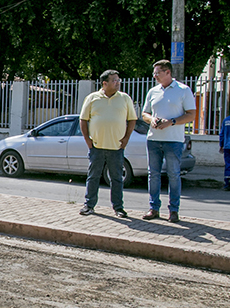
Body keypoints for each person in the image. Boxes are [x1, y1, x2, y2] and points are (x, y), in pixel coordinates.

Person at [140, 59, 196, 223]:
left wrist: (170, 122)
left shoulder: (183, 90)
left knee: (173, 175)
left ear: (168, 72)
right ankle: (154, 208)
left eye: (157, 72)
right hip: (154, 139)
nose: (154, 76)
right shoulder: (153, 91)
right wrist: (151, 120)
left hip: (173, 140)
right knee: (153, 175)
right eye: (154, 73)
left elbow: (191, 114)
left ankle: (173, 210)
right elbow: (144, 113)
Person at [79, 70, 137, 218]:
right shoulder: (92, 98)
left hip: (116, 147)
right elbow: (83, 120)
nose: (118, 83)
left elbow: (132, 119)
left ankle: (118, 207)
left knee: (117, 178)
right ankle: (89, 205)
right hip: (96, 147)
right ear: (104, 83)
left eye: (118, 80)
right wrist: (88, 140)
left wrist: (126, 139)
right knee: (93, 176)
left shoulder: (124, 98)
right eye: (114, 81)